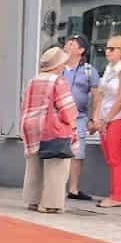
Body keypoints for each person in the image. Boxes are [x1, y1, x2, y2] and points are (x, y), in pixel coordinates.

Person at [20, 47, 79, 213]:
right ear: (58, 64)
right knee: (56, 166)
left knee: (34, 165)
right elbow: (66, 107)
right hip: (51, 129)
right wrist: (73, 127)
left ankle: (33, 200)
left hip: (31, 126)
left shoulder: (33, 81)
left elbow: (24, 104)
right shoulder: (57, 81)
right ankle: (50, 204)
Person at [95, 35, 121, 208]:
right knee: (110, 157)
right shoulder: (109, 69)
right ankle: (114, 193)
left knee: (116, 157)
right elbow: (100, 94)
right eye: (107, 48)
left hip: (116, 118)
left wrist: (106, 119)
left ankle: (118, 196)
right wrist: (96, 117)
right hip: (105, 117)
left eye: (112, 48)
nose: (107, 51)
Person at [61, 35, 101, 200]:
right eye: (67, 43)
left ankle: (73, 189)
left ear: (81, 50)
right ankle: (55, 186)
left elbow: (97, 96)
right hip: (59, 117)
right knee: (57, 150)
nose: (67, 46)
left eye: (72, 44)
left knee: (77, 153)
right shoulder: (58, 67)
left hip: (79, 117)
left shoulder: (88, 70)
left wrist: (94, 118)